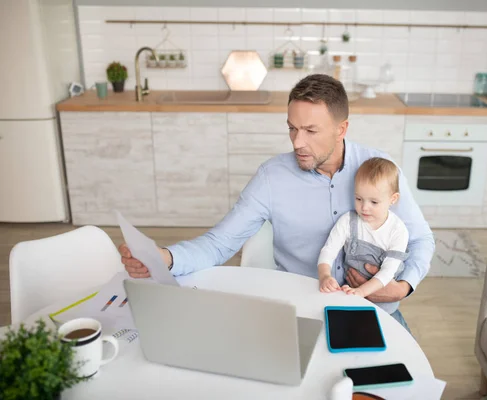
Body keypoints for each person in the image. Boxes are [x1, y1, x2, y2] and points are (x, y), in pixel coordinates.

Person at [120, 74, 435, 332]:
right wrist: (165, 258)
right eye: (292, 128)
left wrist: (402, 286)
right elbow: (218, 244)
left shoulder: (380, 167)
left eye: (311, 131)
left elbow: (421, 238)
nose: (298, 142)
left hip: (377, 311)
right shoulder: (271, 177)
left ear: (342, 129)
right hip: (303, 313)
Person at [318, 157, 409, 309]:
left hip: (384, 302)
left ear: (393, 199)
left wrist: (361, 291)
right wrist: (324, 276)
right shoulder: (348, 221)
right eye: (359, 199)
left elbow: (387, 271)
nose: (364, 208)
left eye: (374, 202)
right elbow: (329, 250)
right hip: (352, 296)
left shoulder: (398, 231)